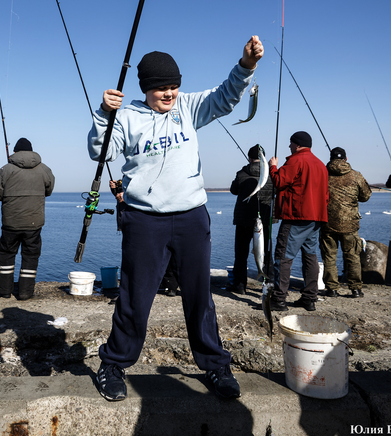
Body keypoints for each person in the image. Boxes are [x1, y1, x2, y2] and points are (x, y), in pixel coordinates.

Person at [89, 35, 263, 402]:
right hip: (143, 220)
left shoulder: (188, 106)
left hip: (191, 218)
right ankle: (114, 364)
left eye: (173, 86)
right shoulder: (127, 116)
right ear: (146, 89)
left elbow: (225, 97)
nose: (169, 94)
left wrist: (246, 65)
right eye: (161, 89)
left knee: (200, 297)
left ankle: (216, 365)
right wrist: (104, 114)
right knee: (134, 298)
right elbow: (98, 151)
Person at [267, 131, 328, 312]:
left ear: (298, 144)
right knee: (310, 256)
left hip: (296, 216)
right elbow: (325, 194)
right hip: (316, 217)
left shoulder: (295, 160)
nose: (289, 147)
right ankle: (309, 298)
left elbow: (279, 181)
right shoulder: (320, 165)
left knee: (283, 256)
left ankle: (279, 299)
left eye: (291, 143)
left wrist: (273, 167)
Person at [0, 138, 55, 301]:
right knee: (31, 256)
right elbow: (48, 190)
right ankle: (25, 292)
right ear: (31, 152)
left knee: (6, 254)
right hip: (34, 222)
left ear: (15, 152)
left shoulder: (5, 169)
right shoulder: (45, 169)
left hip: (10, 222)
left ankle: (5, 291)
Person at [320, 147, 371, 298]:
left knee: (329, 256)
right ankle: (355, 289)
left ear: (331, 158)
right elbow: (365, 196)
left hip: (327, 223)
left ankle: (332, 289)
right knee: (352, 256)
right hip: (350, 224)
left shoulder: (323, 174)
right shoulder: (356, 175)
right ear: (346, 159)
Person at [229, 144, 274, 295]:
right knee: (266, 253)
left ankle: (239, 285)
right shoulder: (271, 175)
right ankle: (268, 285)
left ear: (249, 157)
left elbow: (234, 190)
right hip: (265, 221)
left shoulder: (242, 173)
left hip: (243, 220)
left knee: (241, 253)